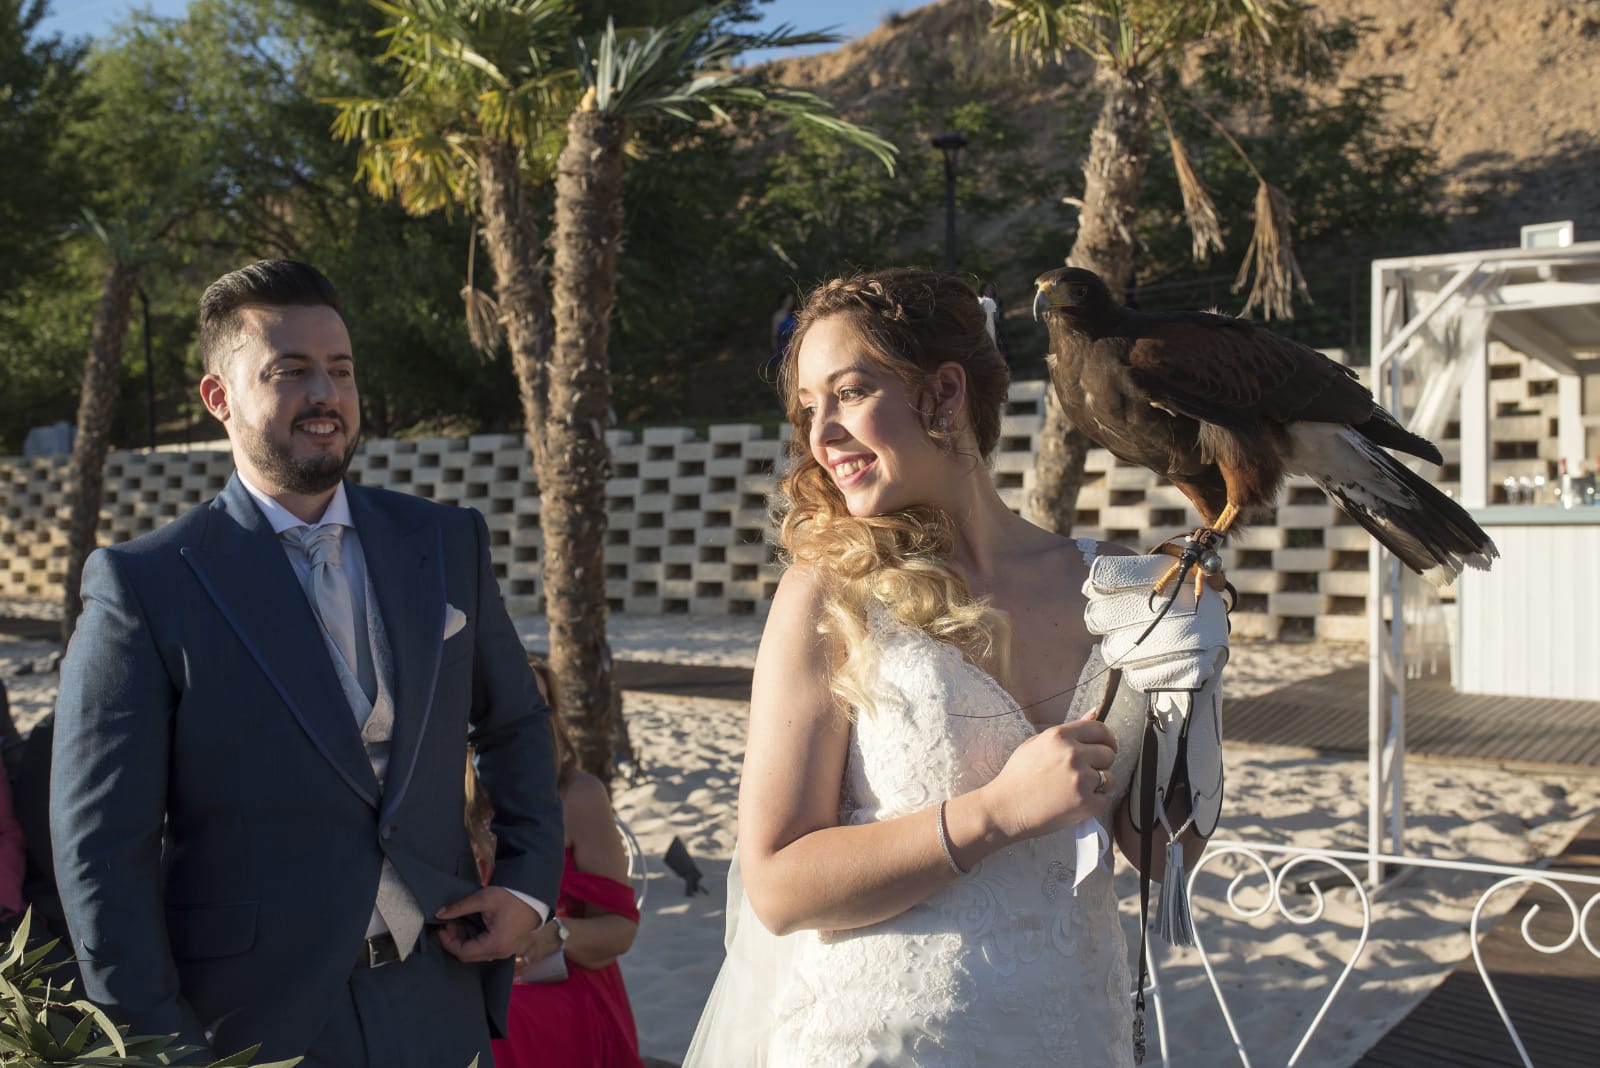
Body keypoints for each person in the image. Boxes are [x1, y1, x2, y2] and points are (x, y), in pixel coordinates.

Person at [684, 268, 1219, 1066]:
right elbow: (778, 887)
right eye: (809, 408)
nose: (821, 435)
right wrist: (994, 813)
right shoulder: (829, 596)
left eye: (849, 393)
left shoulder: (1116, 585)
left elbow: (1162, 852)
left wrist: (1194, 689)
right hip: (885, 1045)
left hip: (1074, 1033)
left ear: (943, 393)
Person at [50, 259, 564, 1067]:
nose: (325, 394)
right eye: (290, 371)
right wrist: (161, 1047)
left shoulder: (445, 541)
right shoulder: (145, 585)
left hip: (440, 995)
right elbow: (101, 850)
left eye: (340, 369)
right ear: (219, 398)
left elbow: (516, 721)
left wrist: (529, 884)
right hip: (256, 1025)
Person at [478, 656, 644, 1068]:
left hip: (559, 981)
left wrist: (554, 936)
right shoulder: (448, 799)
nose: (521, 722)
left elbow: (621, 930)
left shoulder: (577, 796)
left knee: (500, 1025)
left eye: (537, 707)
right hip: (468, 981)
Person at [766, 292, 798, 377]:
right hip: (782, 347)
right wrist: (774, 349)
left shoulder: (794, 314)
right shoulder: (777, 316)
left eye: (792, 300)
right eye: (788, 300)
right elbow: (774, 334)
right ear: (783, 301)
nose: (791, 302)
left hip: (794, 345)